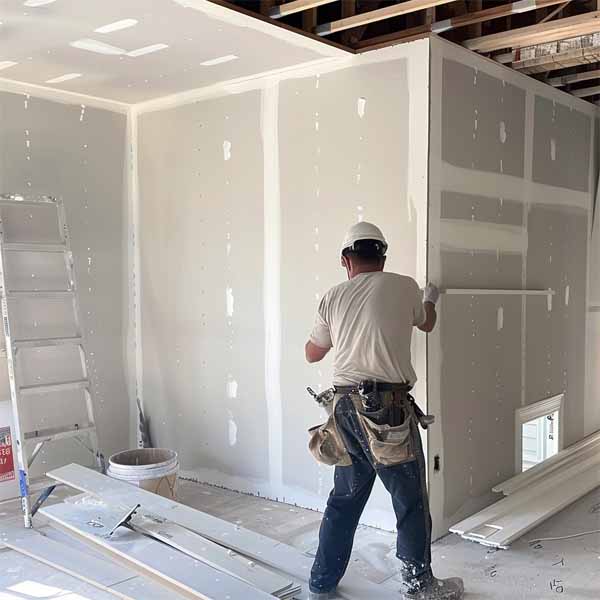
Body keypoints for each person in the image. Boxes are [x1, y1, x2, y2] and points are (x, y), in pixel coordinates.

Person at [305, 222, 464, 600]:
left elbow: (312, 352)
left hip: (343, 409)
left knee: (343, 500)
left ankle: (321, 582)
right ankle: (419, 585)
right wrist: (430, 297)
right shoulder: (404, 285)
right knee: (409, 500)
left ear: (346, 260)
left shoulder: (332, 296)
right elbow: (427, 322)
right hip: (386, 412)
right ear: (383, 257)